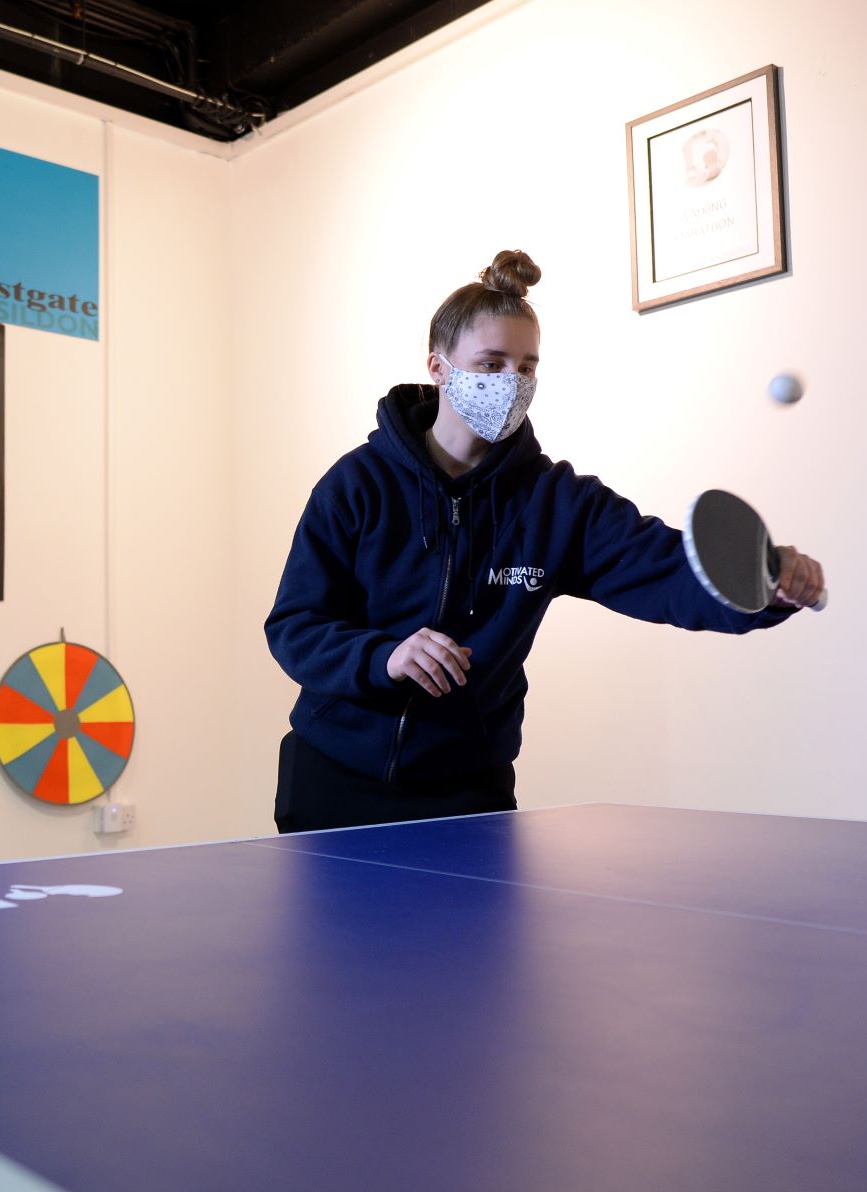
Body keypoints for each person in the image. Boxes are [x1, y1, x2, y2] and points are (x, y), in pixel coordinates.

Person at [264, 250, 825, 833]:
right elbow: (295, 625)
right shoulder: (358, 484)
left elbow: (666, 570)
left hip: (467, 791)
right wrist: (385, 657)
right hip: (334, 780)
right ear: (438, 367)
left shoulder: (558, 502)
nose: (512, 383)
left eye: (527, 367)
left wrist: (763, 581)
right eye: (491, 362)